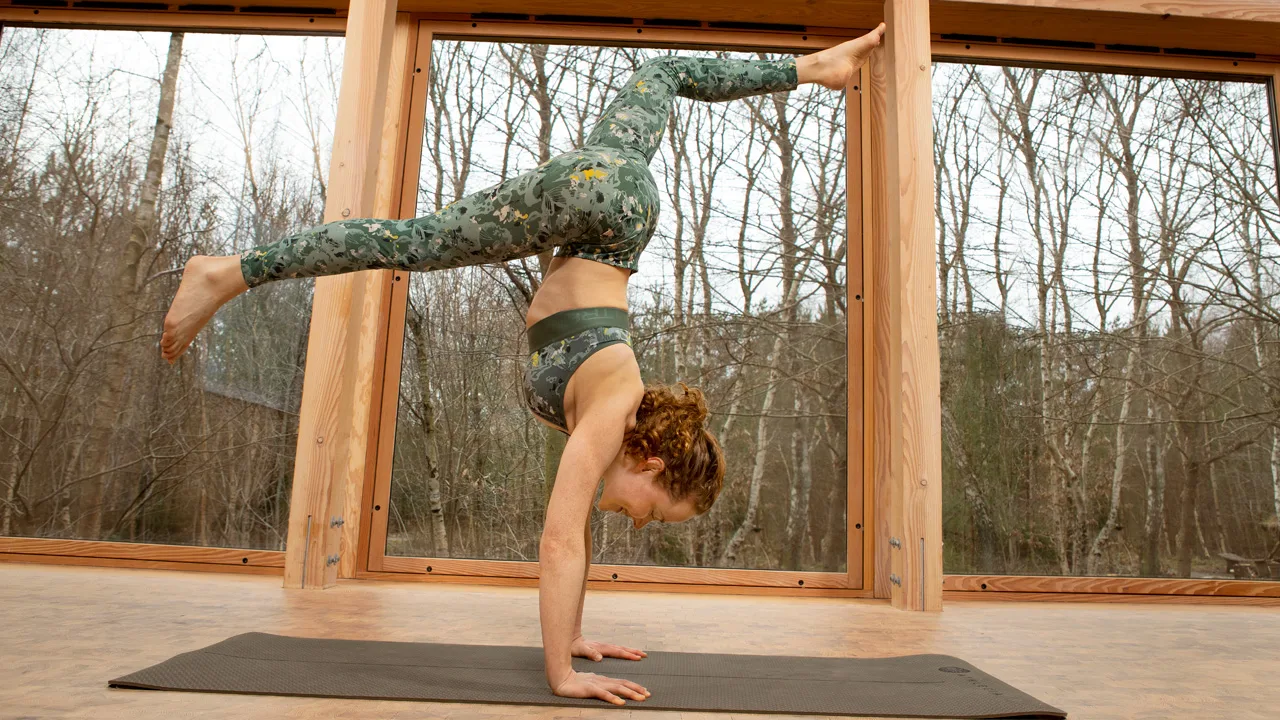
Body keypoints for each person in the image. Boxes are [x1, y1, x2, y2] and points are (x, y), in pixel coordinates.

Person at [160, 22, 886, 705]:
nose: (638, 524)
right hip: (601, 198)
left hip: (620, 198)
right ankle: (230, 273)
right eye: (654, 515)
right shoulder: (611, 413)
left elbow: (578, 537)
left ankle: (809, 68)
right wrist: (561, 673)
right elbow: (559, 538)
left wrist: (572, 635)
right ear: (654, 465)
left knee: (661, 73)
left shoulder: (612, 411)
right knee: (410, 242)